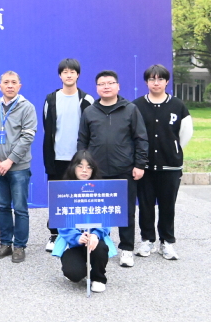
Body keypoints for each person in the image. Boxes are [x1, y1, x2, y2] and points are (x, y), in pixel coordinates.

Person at [78, 70, 148, 268]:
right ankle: (101, 247)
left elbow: (141, 138)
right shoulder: (89, 111)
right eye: (102, 84)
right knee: (97, 211)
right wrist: (83, 166)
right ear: (97, 88)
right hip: (96, 171)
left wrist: (139, 165)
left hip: (124, 170)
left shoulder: (130, 109)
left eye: (110, 83)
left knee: (126, 211)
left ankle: (127, 249)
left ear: (118, 86)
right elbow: (82, 141)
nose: (106, 87)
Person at [132, 64, 193, 261]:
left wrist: (173, 149)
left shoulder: (177, 105)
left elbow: (185, 133)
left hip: (170, 165)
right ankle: (147, 240)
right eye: (152, 79)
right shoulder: (137, 106)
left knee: (168, 206)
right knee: (146, 205)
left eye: (160, 79)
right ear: (146, 82)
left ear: (166, 82)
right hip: (145, 166)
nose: (156, 83)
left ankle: (167, 242)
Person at [0, 71, 37, 263]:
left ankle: (20, 246)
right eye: (6, 82)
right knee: (2, 206)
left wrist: (10, 161)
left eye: (14, 82)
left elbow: (27, 137)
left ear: (19, 86)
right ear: (0, 86)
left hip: (18, 167)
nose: (10, 85)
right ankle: (5, 244)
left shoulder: (27, 107)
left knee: (20, 208)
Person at [42, 59, 94, 252]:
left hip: (80, 159)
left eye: (72, 72)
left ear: (78, 75)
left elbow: (91, 129)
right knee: (57, 197)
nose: (69, 75)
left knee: (79, 197)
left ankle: (80, 234)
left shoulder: (87, 100)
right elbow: (48, 128)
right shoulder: (51, 99)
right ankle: (55, 235)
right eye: (65, 72)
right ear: (60, 75)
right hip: (56, 158)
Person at [51, 150, 118, 293]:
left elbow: (106, 220)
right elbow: (61, 223)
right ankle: (80, 268)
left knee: (100, 248)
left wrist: (96, 235)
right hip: (73, 242)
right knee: (74, 273)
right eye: (80, 166)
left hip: (94, 240)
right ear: (73, 167)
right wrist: (76, 237)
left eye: (88, 167)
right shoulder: (63, 190)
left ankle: (98, 277)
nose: (84, 170)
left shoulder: (101, 190)